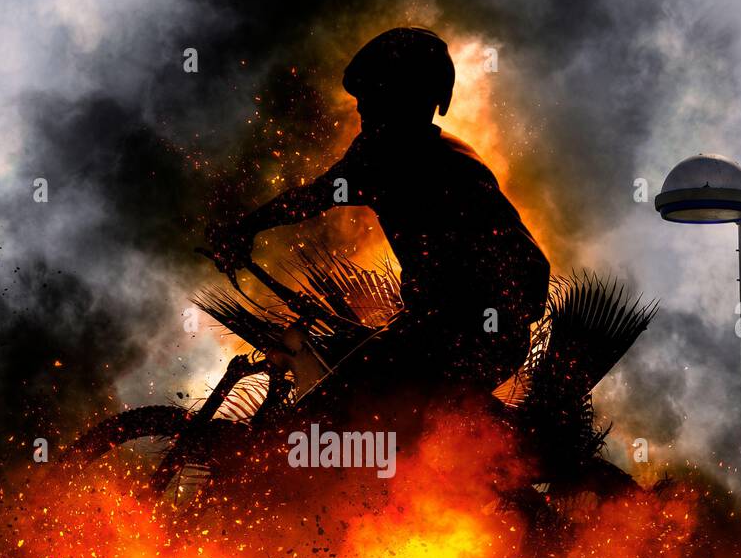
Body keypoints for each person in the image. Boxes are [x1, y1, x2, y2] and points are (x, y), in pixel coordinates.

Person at [210, 28, 551, 412]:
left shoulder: (392, 155)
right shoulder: (440, 152)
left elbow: (313, 197)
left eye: (371, 96)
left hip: (460, 336)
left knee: (334, 412)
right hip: (466, 333)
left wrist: (244, 228)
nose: (361, 109)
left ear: (401, 96)